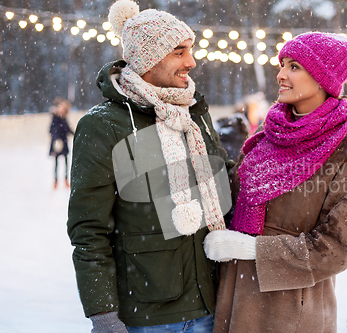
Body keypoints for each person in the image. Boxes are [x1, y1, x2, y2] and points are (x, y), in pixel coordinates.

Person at [67, 1, 232, 332]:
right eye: (179, 52)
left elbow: (224, 182)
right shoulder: (104, 125)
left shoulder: (193, 111)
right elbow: (89, 229)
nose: (192, 62)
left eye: (191, 50)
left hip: (214, 301)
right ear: (147, 58)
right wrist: (103, 314)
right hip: (150, 315)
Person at [204, 32, 347, 333]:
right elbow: (225, 205)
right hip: (234, 304)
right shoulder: (265, 141)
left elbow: (337, 247)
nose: (281, 74)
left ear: (323, 79)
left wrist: (255, 250)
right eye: (282, 65)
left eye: (294, 66)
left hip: (291, 316)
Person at [49, 96, 73, 188]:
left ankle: (66, 179)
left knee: (66, 162)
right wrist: (56, 139)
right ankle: (56, 181)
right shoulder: (55, 119)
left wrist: (75, 134)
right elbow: (51, 130)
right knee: (56, 163)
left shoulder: (64, 119)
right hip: (57, 143)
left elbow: (68, 129)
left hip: (64, 142)